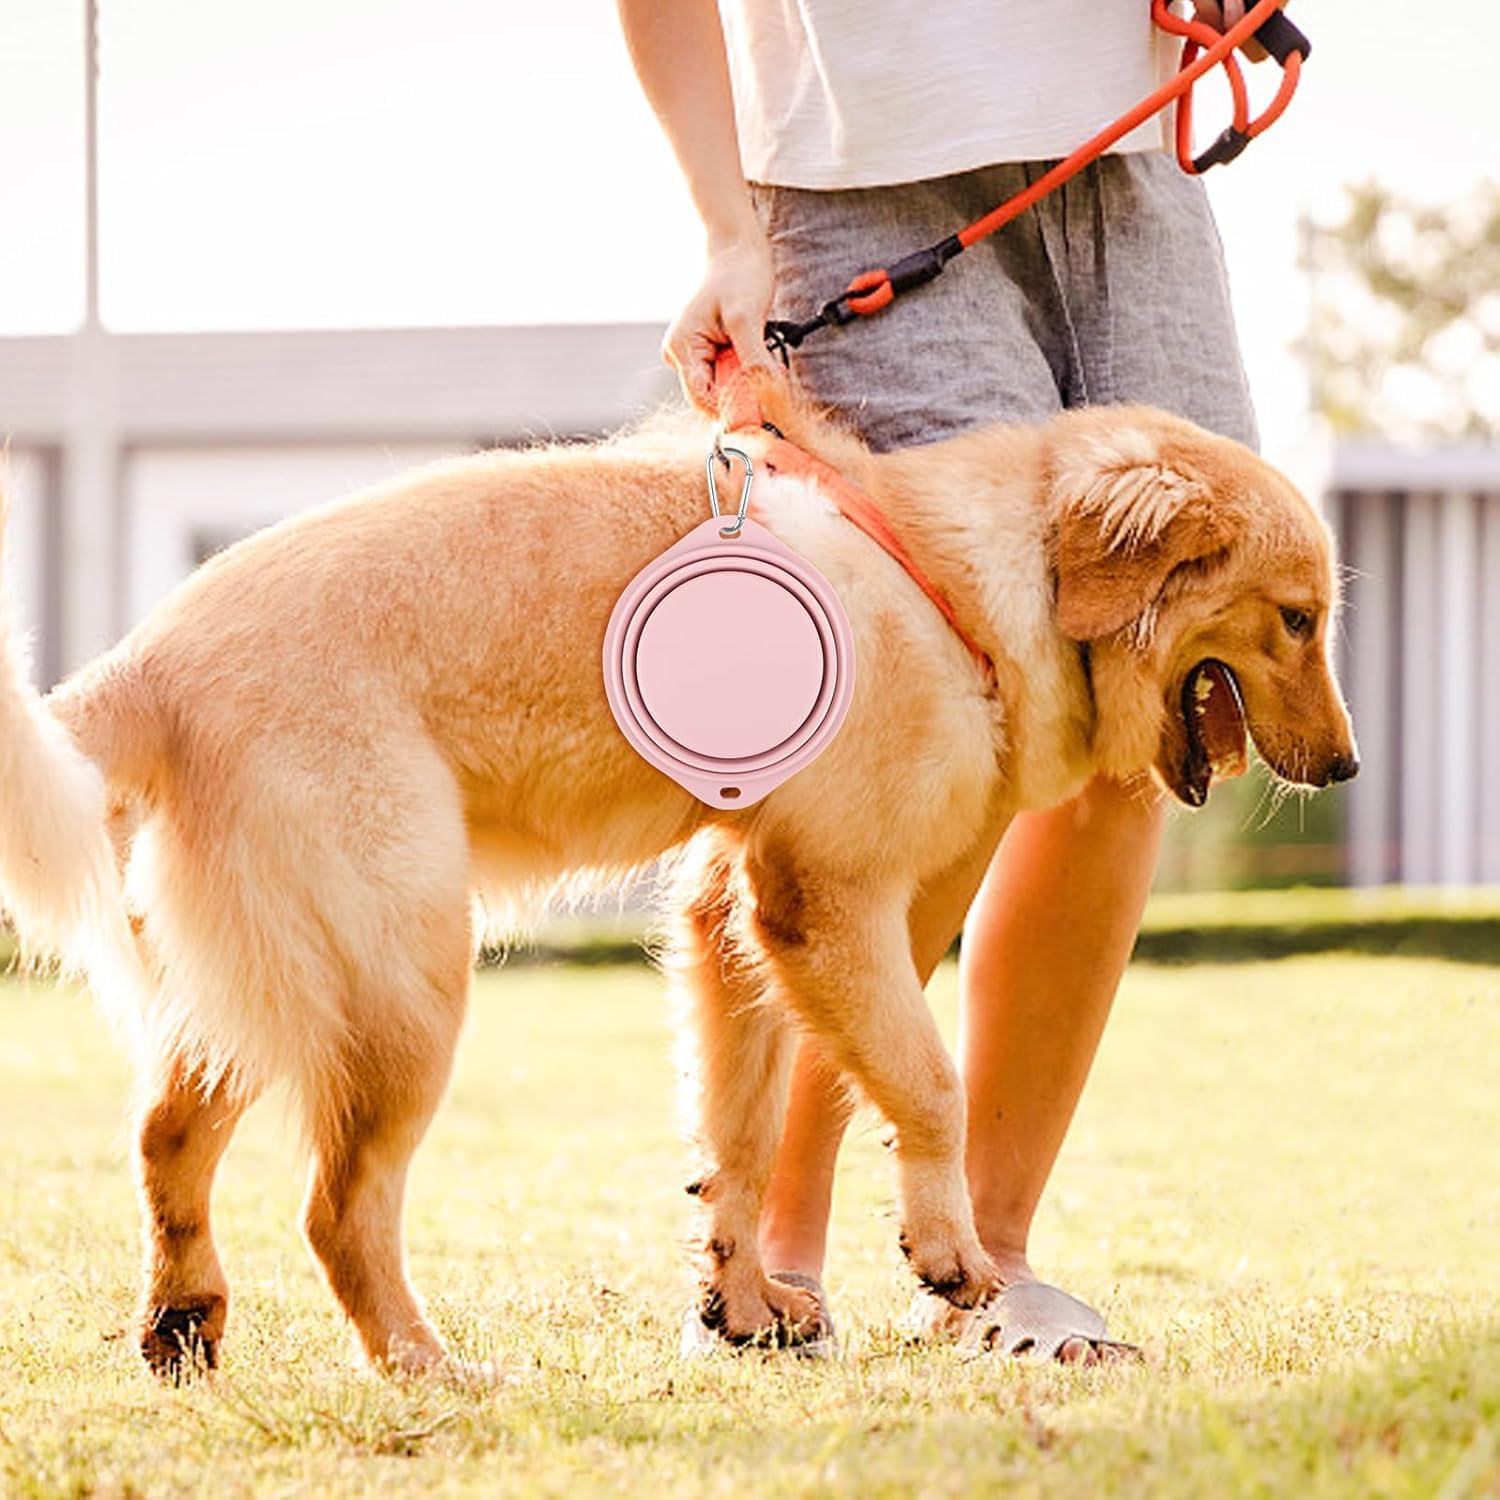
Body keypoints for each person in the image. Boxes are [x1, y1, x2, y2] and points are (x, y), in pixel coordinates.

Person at [618, 0, 1259, 1363]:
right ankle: (765, 1260)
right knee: (906, 736)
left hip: (1137, 157)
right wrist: (726, 229)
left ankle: (990, 1259)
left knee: (1151, 706)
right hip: (856, 173)